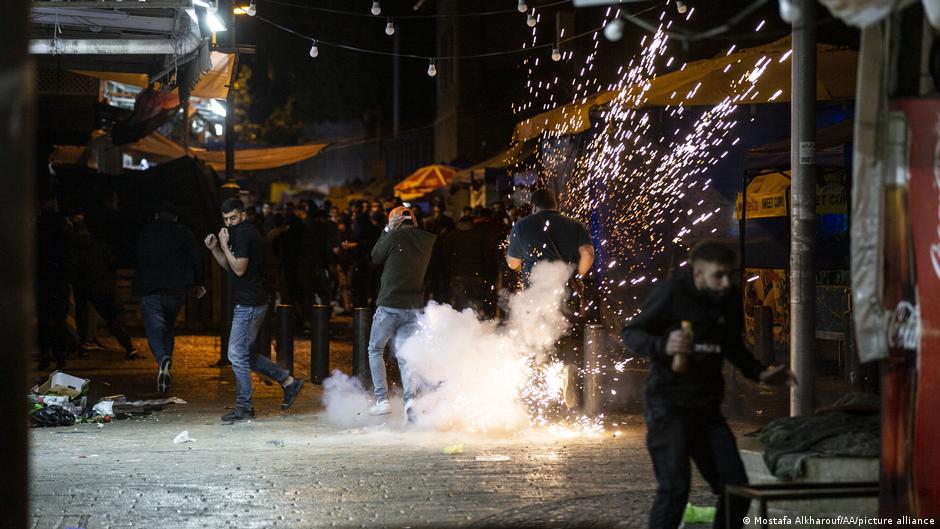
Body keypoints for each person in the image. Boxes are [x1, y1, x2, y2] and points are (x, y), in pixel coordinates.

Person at [621, 241, 796, 529]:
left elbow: (732, 346)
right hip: (668, 407)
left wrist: (759, 373)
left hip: (708, 411)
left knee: (736, 488)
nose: (726, 283)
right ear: (697, 273)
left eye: (731, 274)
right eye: (718, 275)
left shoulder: (729, 296)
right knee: (675, 490)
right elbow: (631, 333)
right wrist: (663, 344)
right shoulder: (671, 293)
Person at [204, 198, 305, 422]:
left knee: (235, 354)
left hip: (249, 304)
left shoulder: (243, 233)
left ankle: (245, 406)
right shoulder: (239, 232)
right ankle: (289, 382)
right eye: (225, 219)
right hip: (251, 302)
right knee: (245, 354)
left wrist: (223, 244)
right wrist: (215, 249)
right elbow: (230, 266)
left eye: (233, 217)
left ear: (243, 215)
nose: (229, 223)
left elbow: (239, 269)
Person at [506, 188, 594, 408]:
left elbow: (513, 263)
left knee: (538, 339)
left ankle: (548, 379)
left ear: (534, 206)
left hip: (536, 294)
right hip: (567, 291)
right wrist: (579, 275)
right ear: (556, 204)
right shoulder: (575, 225)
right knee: (567, 334)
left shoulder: (522, 226)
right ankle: (567, 367)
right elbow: (588, 254)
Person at [367, 206, 436, 423]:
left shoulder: (395, 236)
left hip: (390, 304)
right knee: (406, 356)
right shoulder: (426, 239)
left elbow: (376, 256)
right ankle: (410, 401)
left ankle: (382, 400)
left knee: (375, 349)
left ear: (394, 222)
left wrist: (387, 230)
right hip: (413, 306)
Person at [133, 202, 205, 393]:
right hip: (175, 289)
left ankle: (162, 359)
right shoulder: (183, 233)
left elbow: (137, 256)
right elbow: (196, 257)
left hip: (150, 289)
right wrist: (196, 281)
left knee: (154, 330)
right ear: (176, 217)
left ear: (156, 215)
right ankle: (166, 364)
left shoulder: (146, 232)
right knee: (168, 327)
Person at [70, 215, 139, 360]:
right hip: (106, 285)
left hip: (88, 288)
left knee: (83, 318)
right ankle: (128, 346)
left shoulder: (75, 251)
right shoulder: (99, 246)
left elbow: (75, 270)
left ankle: (82, 345)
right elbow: (112, 263)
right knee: (113, 318)